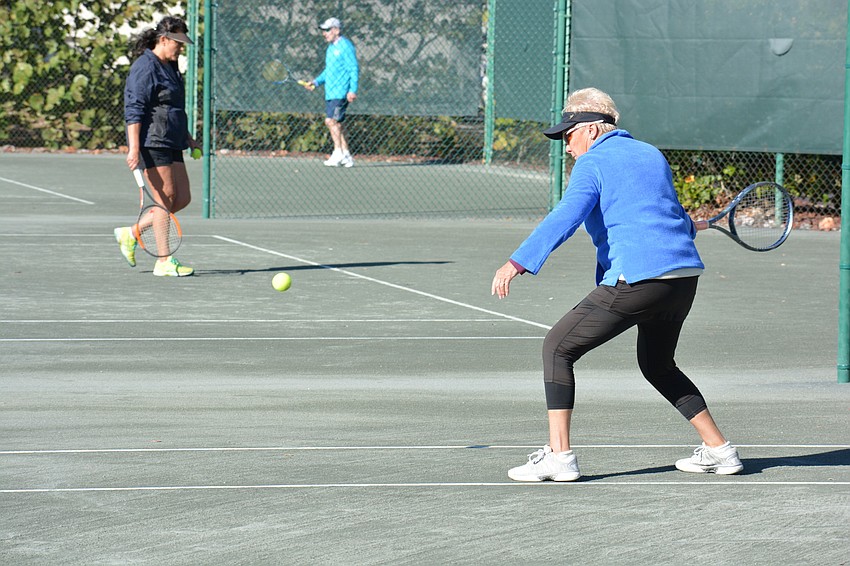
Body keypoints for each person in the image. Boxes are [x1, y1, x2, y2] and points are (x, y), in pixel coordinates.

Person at [491, 87, 743, 482]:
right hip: (681, 280)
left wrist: (517, 262)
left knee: (557, 347)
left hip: (638, 279)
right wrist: (693, 224)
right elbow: (670, 215)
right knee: (658, 364)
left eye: (568, 136)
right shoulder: (650, 154)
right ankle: (721, 451)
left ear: (591, 130)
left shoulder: (592, 165)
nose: (565, 146)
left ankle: (560, 458)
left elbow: (565, 216)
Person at [114, 16, 199, 277]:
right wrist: (133, 147)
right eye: (178, 43)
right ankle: (163, 261)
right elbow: (134, 109)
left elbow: (172, 107)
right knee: (165, 199)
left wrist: (188, 137)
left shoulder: (172, 67)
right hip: (151, 141)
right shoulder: (145, 67)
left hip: (172, 139)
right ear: (164, 40)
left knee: (182, 198)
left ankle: (132, 233)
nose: (181, 48)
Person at [309, 17, 359, 168]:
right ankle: (346, 155)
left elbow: (353, 68)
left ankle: (337, 152)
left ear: (336, 30)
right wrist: (316, 82)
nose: (324, 33)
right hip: (330, 92)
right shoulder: (330, 48)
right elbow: (328, 71)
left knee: (331, 121)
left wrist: (352, 89)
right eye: (323, 30)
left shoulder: (345, 46)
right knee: (339, 124)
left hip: (341, 92)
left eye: (327, 30)